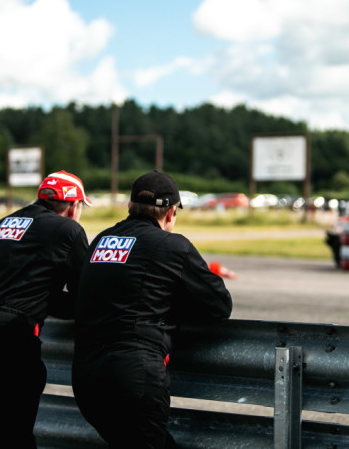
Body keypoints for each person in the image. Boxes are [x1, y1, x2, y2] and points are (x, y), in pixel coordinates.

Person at [72, 170, 233, 448]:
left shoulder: (100, 241)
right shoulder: (172, 245)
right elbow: (219, 305)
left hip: (86, 376)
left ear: (129, 206)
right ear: (171, 213)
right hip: (133, 374)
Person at [0, 170, 91, 448]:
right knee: (17, 440)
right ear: (74, 206)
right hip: (9, 341)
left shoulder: (4, 222)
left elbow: (28, 289)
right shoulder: (69, 230)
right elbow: (85, 296)